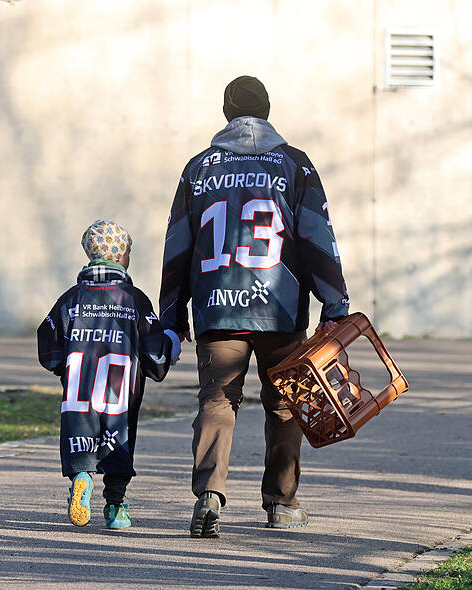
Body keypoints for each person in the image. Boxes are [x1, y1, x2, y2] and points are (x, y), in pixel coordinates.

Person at [159, 75, 350, 537]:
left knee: (217, 400)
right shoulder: (295, 167)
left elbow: (179, 242)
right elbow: (315, 236)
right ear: (268, 109)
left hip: (216, 307)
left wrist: (172, 309)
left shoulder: (199, 169)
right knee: (285, 402)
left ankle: (209, 494)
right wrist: (334, 301)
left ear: (225, 112)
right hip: (279, 309)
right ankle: (281, 503)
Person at [38, 219, 181, 530]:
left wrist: (64, 367)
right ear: (121, 257)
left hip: (80, 394)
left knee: (81, 440)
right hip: (120, 396)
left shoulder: (70, 299)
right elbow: (155, 351)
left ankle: (81, 479)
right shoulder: (134, 300)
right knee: (119, 442)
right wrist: (172, 344)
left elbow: (47, 344)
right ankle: (116, 507)